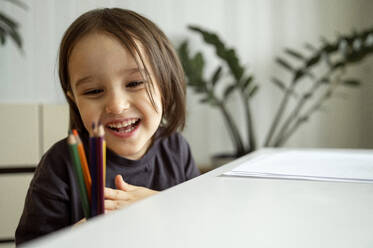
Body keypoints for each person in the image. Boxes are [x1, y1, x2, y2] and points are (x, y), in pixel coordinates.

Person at [15, 8, 200, 245]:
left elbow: (198, 224)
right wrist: (78, 238)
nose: (116, 105)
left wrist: (164, 207)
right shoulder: (60, 165)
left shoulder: (176, 149)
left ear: (165, 84)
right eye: (93, 91)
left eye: (134, 83)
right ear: (74, 99)